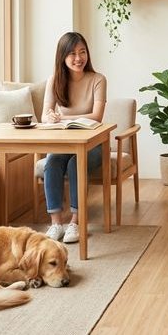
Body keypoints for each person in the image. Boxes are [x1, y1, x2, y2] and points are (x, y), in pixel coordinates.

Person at [41, 32, 107, 243]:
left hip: (93, 144)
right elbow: (44, 114)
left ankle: (76, 223)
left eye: (82, 52)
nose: (78, 58)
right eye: (72, 53)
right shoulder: (54, 80)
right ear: (62, 57)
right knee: (51, 162)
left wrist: (65, 117)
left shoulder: (97, 79)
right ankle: (56, 224)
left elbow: (97, 116)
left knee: (75, 164)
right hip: (66, 142)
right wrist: (51, 117)